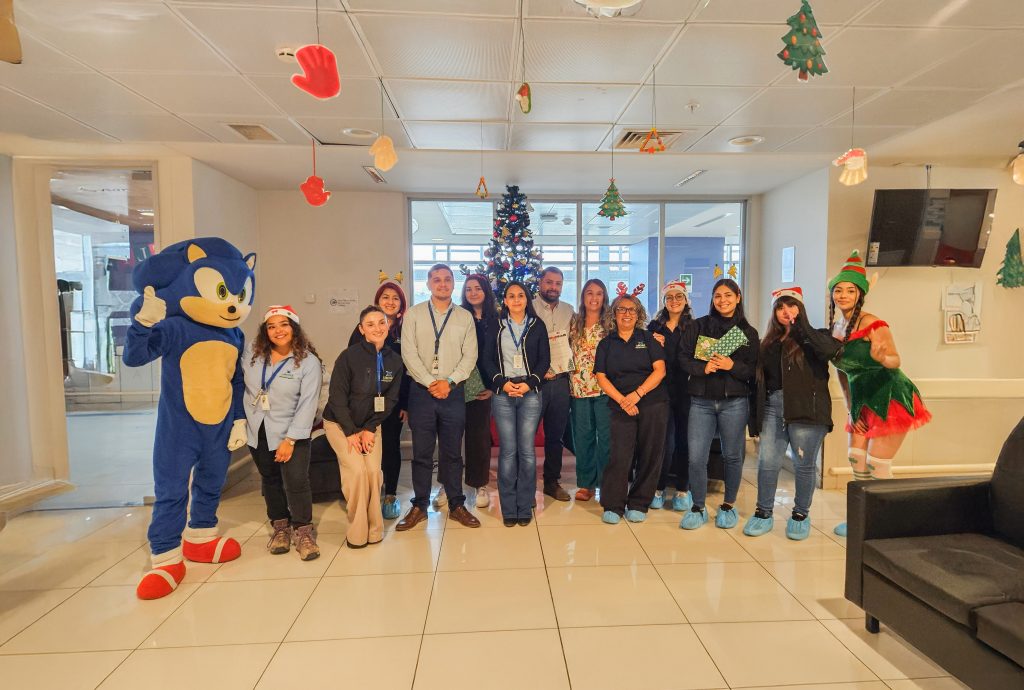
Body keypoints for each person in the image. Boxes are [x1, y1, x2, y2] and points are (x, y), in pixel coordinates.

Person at [827, 251, 932, 537]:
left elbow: (895, 360)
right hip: (860, 399)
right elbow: (842, 372)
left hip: (889, 395)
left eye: (850, 290)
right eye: (838, 290)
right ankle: (861, 520)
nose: (843, 295)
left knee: (877, 464)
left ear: (860, 294)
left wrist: (882, 357)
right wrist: (851, 408)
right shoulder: (835, 329)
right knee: (855, 459)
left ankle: (889, 521)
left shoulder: (874, 324)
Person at [744, 287, 839, 540]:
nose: (786, 311)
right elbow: (758, 382)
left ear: (801, 309)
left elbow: (830, 352)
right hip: (773, 408)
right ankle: (763, 512)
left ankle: (800, 514)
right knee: (767, 463)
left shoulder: (817, 336)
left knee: (804, 465)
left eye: (791, 305)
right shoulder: (768, 343)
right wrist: (754, 419)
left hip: (806, 409)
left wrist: (801, 328)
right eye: (780, 307)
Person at [397, 263, 481, 530]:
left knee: (452, 453)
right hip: (421, 393)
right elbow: (408, 354)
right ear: (429, 284)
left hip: (453, 392)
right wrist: (431, 382)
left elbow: (470, 356)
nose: (442, 284)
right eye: (437, 279)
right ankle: (419, 505)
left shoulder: (464, 317)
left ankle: (456, 504)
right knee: (421, 453)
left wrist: (449, 382)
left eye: (447, 279)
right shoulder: (414, 315)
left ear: (453, 284)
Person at [242, 305, 323, 560]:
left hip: (291, 432)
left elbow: (308, 404)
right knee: (270, 479)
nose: (278, 330)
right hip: (258, 429)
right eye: (271, 326)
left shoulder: (308, 362)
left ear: (294, 328)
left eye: (284, 324)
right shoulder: (253, 355)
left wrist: (290, 439)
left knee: (296, 482)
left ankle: (303, 531)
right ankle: (280, 528)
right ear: (265, 331)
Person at [678, 278, 759, 530]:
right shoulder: (698, 326)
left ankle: (728, 505)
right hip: (701, 401)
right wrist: (702, 368)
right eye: (718, 296)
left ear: (738, 297)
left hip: (734, 403)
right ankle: (698, 507)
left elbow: (752, 371)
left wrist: (731, 365)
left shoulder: (748, 333)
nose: (723, 300)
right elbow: (682, 358)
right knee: (696, 457)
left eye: (728, 295)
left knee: (733, 456)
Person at [324, 305, 405, 548]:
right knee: (357, 472)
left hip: (371, 426)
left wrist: (369, 429)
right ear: (361, 329)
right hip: (340, 424)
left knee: (373, 472)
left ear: (388, 326)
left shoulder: (394, 360)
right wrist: (351, 432)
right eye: (370, 324)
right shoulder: (348, 357)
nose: (377, 328)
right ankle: (357, 532)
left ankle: (374, 529)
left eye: (381, 323)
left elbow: (390, 400)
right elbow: (337, 398)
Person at [594, 286, 668, 524]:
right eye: (622, 309)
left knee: (650, 453)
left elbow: (660, 371)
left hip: (652, 403)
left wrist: (637, 394)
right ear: (613, 314)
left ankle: (639, 503)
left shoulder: (648, 338)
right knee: (619, 455)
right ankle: (613, 505)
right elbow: (601, 377)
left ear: (639, 314)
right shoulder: (606, 344)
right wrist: (623, 401)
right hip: (620, 404)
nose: (627, 314)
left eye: (632, 310)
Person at [481, 281, 550, 527]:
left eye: (521, 295)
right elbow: (487, 360)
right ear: (505, 301)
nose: (517, 299)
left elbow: (544, 360)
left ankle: (525, 503)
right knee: (508, 452)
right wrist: (502, 383)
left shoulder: (537, 325)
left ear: (526, 299)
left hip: (530, 393)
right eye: (511, 296)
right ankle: (509, 507)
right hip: (504, 393)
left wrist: (529, 384)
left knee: (527, 452)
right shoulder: (496, 326)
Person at [346, 275, 409, 520]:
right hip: (364, 403)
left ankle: (390, 495)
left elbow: (408, 371)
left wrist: (405, 404)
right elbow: (351, 365)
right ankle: (369, 494)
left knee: (391, 447)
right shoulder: (361, 330)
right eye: (385, 297)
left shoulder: (405, 330)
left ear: (401, 304)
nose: (390, 301)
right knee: (367, 447)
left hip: (393, 402)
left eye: (395, 298)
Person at [647, 281, 695, 511]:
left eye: (679, 297)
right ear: (664, 301)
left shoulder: (695, 327)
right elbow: (644, 357)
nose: (674, 301)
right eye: (669, 297)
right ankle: (658, 488)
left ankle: (683, 489)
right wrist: (652, 344)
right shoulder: (654, 328)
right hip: (660, 392)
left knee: (685, 441)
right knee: (663, 443)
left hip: (687, 392)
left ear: (686, 300)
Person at [453, 274, 499, 510]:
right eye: (468, 289)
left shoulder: (497, 319)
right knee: (451, 437)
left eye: (477, 288)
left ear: (486, 291)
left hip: (483, 386)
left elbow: (501, 354)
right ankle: (449, 485)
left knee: (479, 438)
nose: (472, 292)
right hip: (456, 383)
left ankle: (479, 484)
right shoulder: (457, 316)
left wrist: (492, 386)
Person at [532, 267, 575, 501]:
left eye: (558, 283)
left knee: (555, 436)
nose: (553, 287)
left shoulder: (569, 311)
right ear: (540, 283)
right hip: (534, 383)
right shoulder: (528, 307)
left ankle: (551, 481)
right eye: (549, 282)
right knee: (526, 435)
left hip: (559, 382)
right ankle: (525, 482)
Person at [568, 279, 611, 502]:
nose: (594, 298)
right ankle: (586, 484)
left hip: (606, 390)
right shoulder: (574, 322)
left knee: (606, 438)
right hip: (579, 390)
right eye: (589, 293)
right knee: (583, 438)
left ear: (604, 297)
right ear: (583, 296)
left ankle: (607, 483)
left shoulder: (611, 324)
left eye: (599, 293)